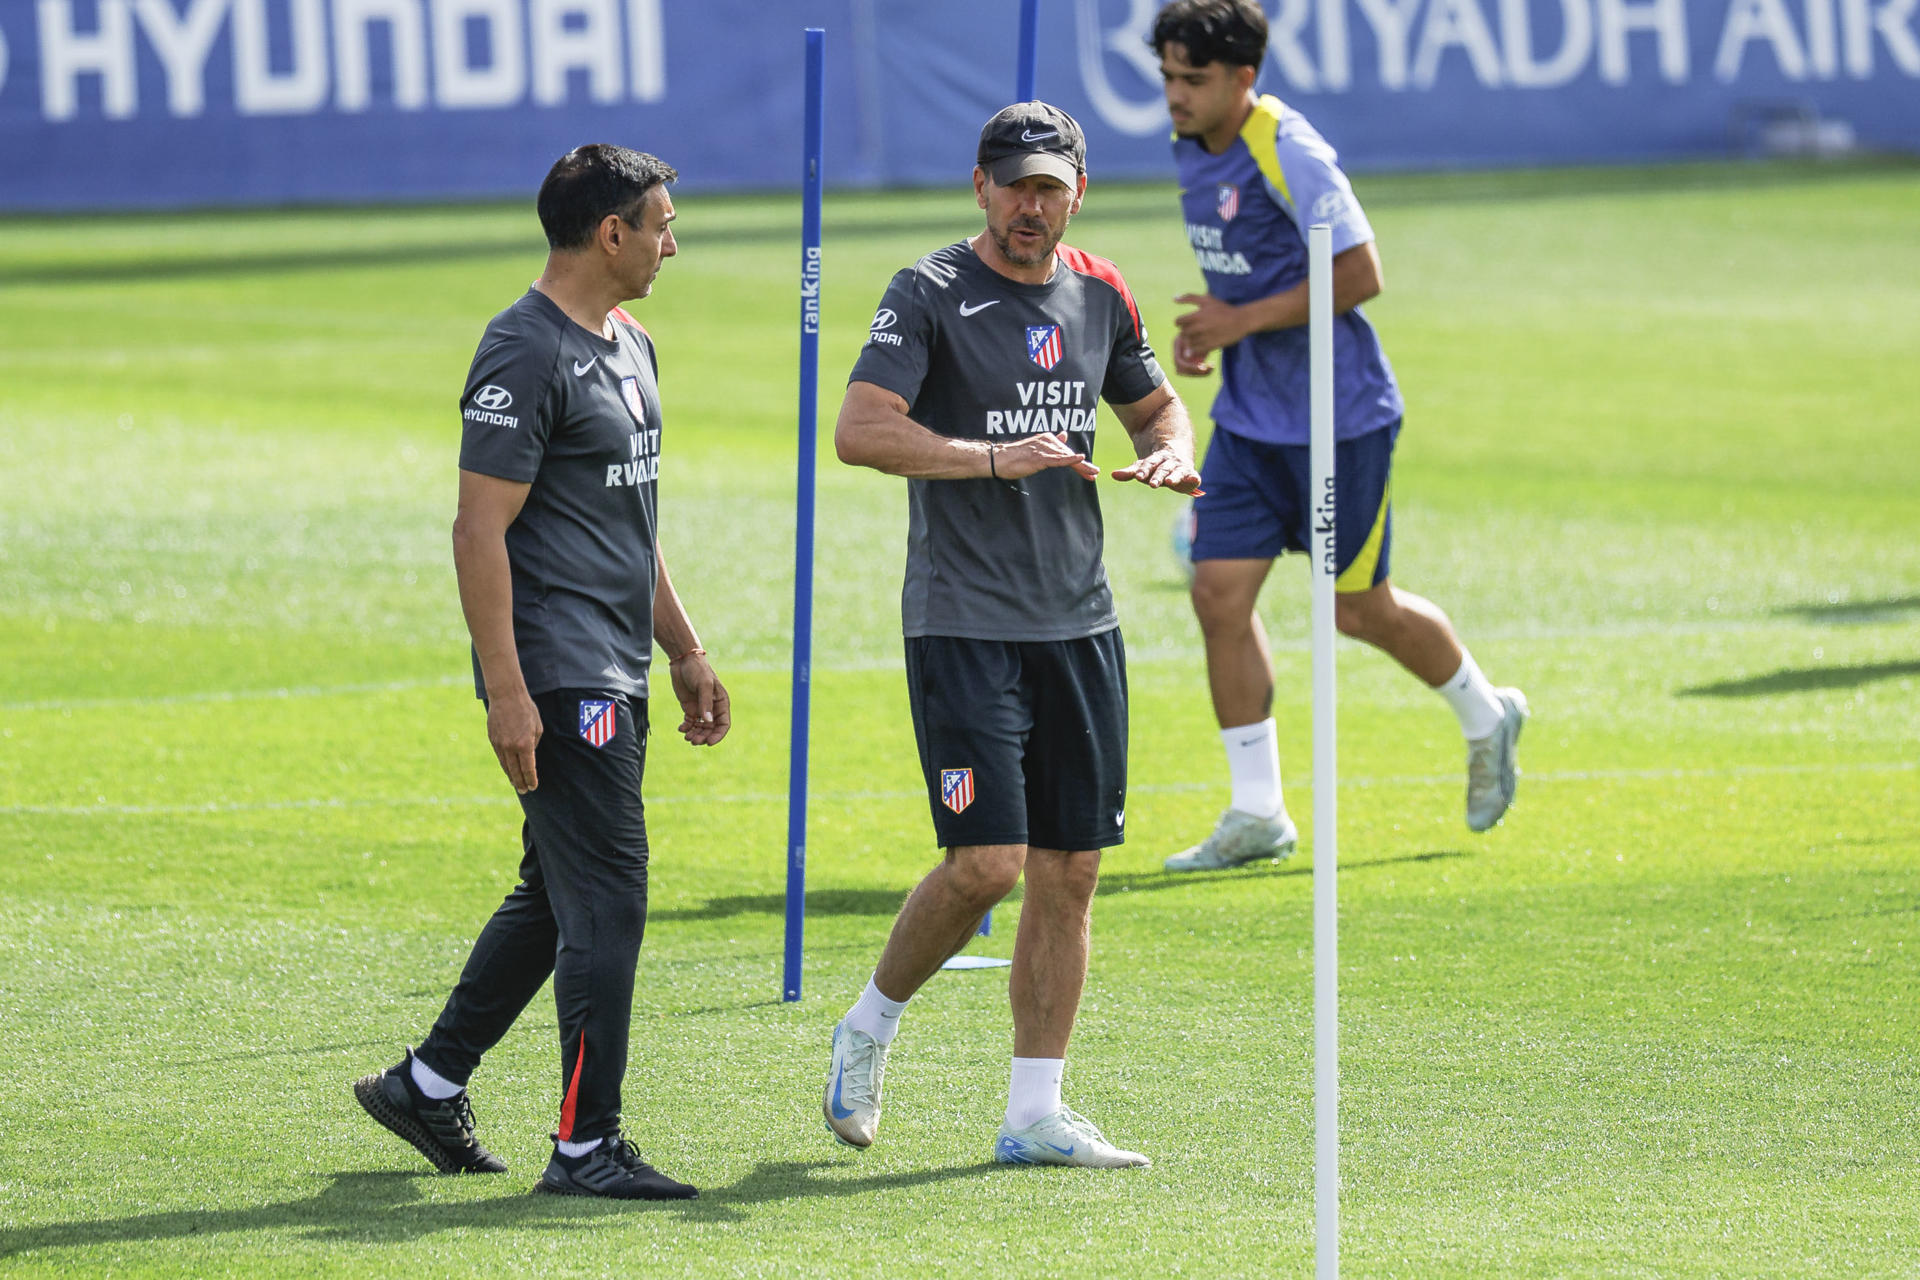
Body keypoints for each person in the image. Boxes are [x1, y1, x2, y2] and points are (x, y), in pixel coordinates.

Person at [825, 102, 1201, 1169]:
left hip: (1080, 620)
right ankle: (870, 1025)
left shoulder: (1100, 289)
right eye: (1013, 185)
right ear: (979, 186)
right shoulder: (930, 292)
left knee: (1071, 869)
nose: (1030, 206)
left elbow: (1159, 410)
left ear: (1077, 189)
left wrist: (1170, 452)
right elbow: (860, 429)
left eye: (1050, 186)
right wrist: (990, 457)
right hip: (965, 620)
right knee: (988, 861)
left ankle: (1034, 1110)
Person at [352, 144, 728, 1201]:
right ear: (609, 233)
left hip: (618, 660)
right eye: (658, 223)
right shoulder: (522, 352)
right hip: (561, 673)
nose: (670, 240)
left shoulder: (635, 342)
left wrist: (685, 644)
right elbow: (480, 530)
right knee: (608, 895)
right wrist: (509, 691)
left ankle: (427, 1083)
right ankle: (584, 1143)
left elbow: (632, 521)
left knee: (554, 890)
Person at [1152, 0, 1527, 872]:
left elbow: (1361, 273)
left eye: (1193, 80)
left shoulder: (1288, 149)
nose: (1175, 95)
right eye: (1168, 77)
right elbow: (1245, 276)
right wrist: (1214, 332)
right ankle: (1258, 811)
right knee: (1217, 598)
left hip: (1338, 419)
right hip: (1249, 421)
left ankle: (1486, 713)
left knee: (1356, 607)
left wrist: (1238, 320)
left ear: (1245, 79)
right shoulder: (1191, 147)